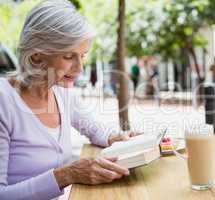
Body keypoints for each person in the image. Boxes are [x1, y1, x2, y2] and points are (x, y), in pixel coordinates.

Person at [0, 1, 141, 200]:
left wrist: (119, 138)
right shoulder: (4, 102)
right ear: (37, 55)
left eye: (82, 56)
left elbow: (95, 129)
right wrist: (66, 174)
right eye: (68, 56)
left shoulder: (61, 93)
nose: (80, 68)